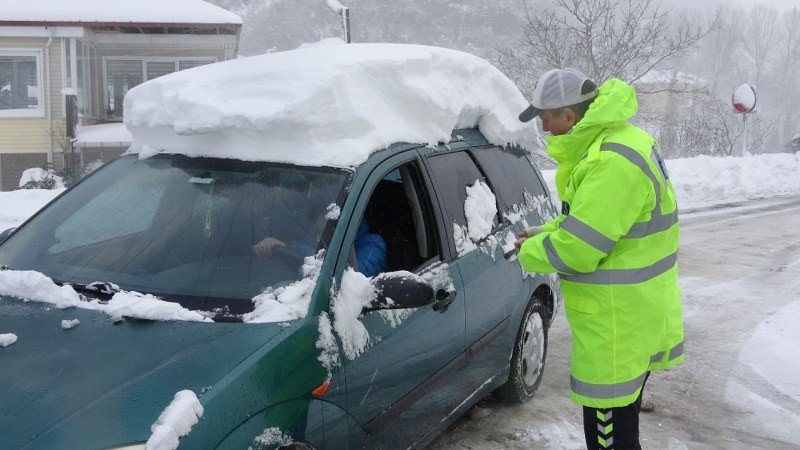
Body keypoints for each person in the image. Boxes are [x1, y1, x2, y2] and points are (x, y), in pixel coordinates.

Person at [515, 68, 685, 450]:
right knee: (623, 430)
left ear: (569, 117)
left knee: (610, 440)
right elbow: (595, 220)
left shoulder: (611, 163)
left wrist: (528, 252)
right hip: (631, 315)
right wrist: (544, 233)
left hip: (615, 326)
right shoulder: (624, 142)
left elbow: (579, 249)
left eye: (545, 119)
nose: (544, 128)